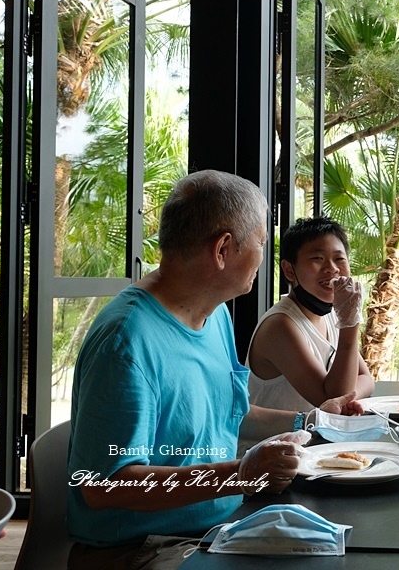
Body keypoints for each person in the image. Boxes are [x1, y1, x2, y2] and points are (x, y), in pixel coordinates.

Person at [67, 170, 363, 569]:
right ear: (223, 249)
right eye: (260, 242)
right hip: (141, 548)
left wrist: (310, 419)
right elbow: (103, 486)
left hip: (219, 525)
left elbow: (230, 416)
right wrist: (239, 475)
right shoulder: (127, 340)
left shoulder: (215, 315)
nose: (263, 255)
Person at [244, 217, 374, 416]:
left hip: (317, 441)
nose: (332, 268)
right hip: (275, 445)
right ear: (289, 270)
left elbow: (365, 377)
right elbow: (332, 401)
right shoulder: (281, 325)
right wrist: (350, 324)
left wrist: (347, 399)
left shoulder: (330, 313)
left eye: (339, 259)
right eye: (318, 259)